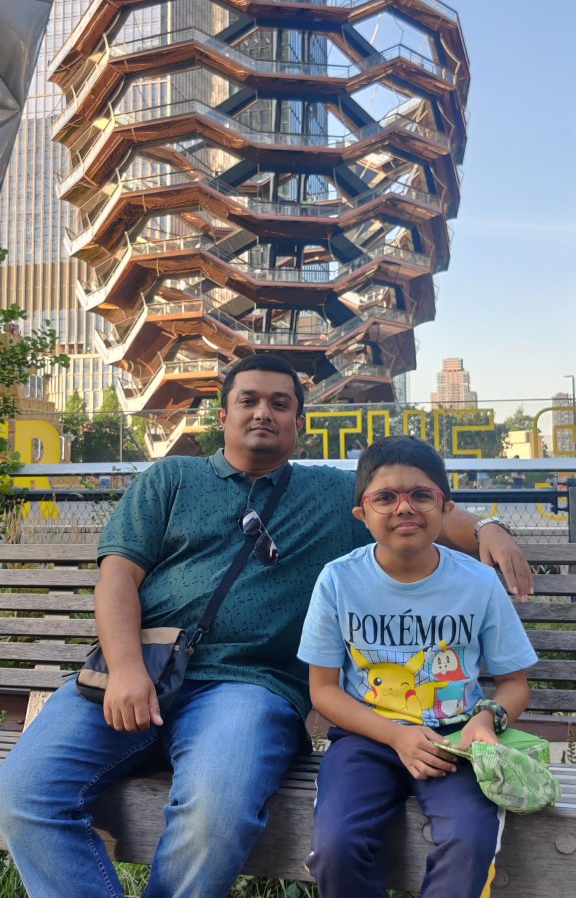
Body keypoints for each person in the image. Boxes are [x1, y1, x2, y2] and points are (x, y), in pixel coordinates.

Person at [0, 356, 532, 898]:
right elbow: (117, 577)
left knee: (216, 811)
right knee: (24, 794)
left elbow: (411, 500)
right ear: (222, 415)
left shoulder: (330, 496)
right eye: (248, 400)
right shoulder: (171, 478)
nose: (263, 413)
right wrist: (125, 668)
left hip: (248, 687)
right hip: (139, 669)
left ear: (298, 423)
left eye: (280, 404)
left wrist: (487, 527)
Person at [297, 436, 537, 898]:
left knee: (469, 840)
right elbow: (323, 690)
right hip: (366, 739)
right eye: (385, 497)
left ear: (446, 507)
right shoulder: (338, 580)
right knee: (335, 846)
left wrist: (485, 720)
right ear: (361, 513)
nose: (404, 507)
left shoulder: (478, 582)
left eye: (421, 495)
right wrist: (396, 736)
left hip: (457, 741)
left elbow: (514, 684)